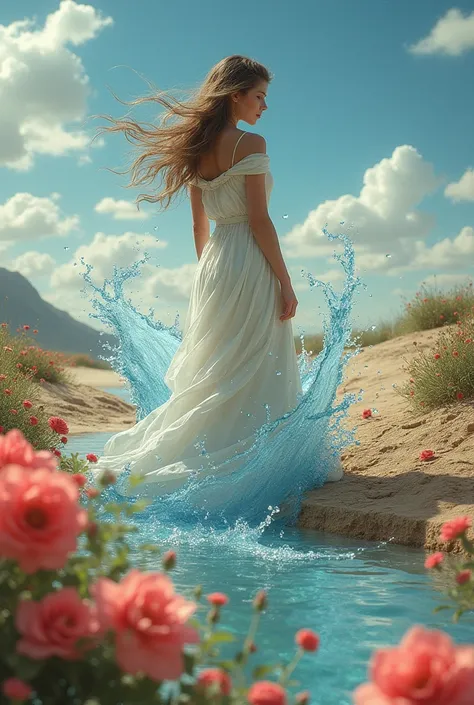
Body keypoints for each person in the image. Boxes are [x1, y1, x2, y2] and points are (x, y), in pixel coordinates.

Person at [93, 55, 342, 499]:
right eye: (260, 96)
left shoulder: (195, 148)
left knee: (218, 365)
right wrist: (285, 282)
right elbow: (261, 221)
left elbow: (197, 228)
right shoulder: (252, 143)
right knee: (253, 359)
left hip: (214, 265)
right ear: (236, 95)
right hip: (248, 256)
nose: (264, 107)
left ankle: (191, 452)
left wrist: (213, 277)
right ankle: (254, 460)